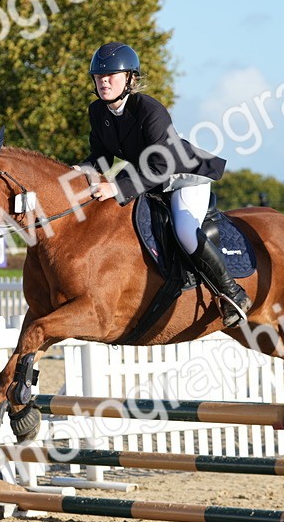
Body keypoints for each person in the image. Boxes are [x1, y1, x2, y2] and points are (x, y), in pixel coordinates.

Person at [73, 42, 251, 325]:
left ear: (130, 79)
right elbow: (101, 157)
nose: (103, 81)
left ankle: (232, 293)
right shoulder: (98, 111)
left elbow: (161, 166)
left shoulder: (150, 109)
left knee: (185, 230)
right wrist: (73, 176)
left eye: (111, 76)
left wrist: (116, 188)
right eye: (98, 76)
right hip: (150, 178)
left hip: (181, 176)